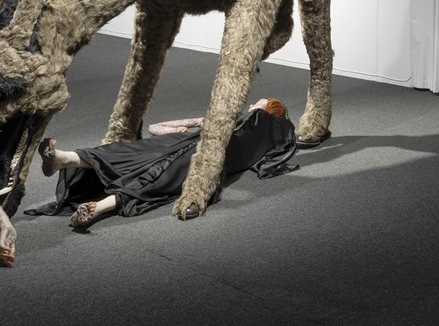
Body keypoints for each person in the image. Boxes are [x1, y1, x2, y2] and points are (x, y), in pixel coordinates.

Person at [24, 98, 298, 230]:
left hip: (202, 152)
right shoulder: (251, 133)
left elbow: (156, 128)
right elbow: (156, 128)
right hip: (185, 145)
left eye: (258, 103)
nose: (251, 105)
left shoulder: (257, 123)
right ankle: (72, 171)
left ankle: (71, 167)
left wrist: (202, 124)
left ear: (268, 111)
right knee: (146, 169)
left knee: (140, 162)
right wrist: (196, 124)